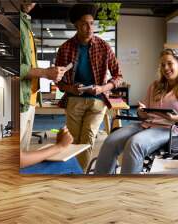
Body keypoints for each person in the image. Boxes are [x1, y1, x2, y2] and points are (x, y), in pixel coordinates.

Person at [95, 49, 178, 174]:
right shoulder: (155, 86)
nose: (166, 68)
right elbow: (143, 108)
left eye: (169, 63)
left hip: (170, 129)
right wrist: (141, 112)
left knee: (135, 143)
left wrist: (175, 118)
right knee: (110, 141)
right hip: (146, 124)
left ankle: (126, 186)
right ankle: (100, 179)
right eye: (163, 65)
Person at [55, 4, 123, 170]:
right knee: (73, 139)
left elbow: (118, 76)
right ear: (76, 25)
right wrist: (71, 88)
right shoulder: (65, 48)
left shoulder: (104, 47)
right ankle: (72, 171)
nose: (89, 28)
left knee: (88, 138)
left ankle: (80, 175)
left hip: (97, 101)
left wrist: (103, 88)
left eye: (92, 23)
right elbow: (58, 80)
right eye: (85, 24)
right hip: (75, 101)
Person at [20, 2, 68, 152]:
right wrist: (45, 73)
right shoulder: (14, 22)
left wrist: (49, 73)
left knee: (23, 152)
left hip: (31, 98)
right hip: (20, 99)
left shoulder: (26, 23)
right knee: (17, 156)